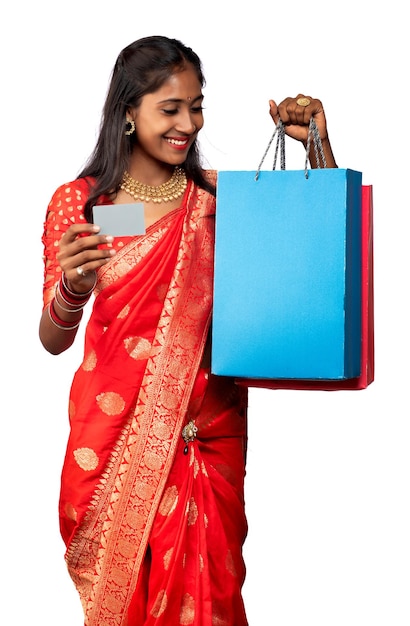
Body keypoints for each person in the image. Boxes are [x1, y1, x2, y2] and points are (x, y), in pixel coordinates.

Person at [39, 35, 337, 626]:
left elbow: (317, 244)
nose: (187, 124)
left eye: (196, 106)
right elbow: (53, 337)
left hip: (208, 438)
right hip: (113, 442)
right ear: (128, 112)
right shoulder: (92, 206)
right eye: (169, 109)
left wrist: (318, 149)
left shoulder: (218, 199)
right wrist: (72, 286)